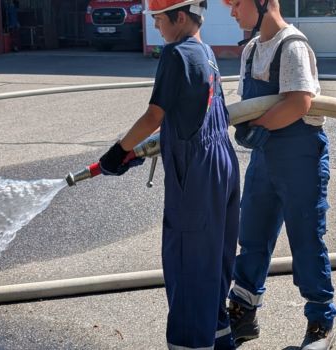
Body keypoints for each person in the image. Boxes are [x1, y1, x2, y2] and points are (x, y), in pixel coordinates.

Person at [95, 0, 241, 348]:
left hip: (196, 174)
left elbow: (153, 116)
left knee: (188, 266)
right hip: (223, 164)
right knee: (213, 263)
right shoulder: (206, 52)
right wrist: (147, 147)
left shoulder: (175, 54)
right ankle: (219, 340)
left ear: (179, 16)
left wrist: (117, 152)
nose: (156, 26)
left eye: (159, 19)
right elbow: (199, 114)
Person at [221, 0, 335, 348]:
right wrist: (248, 126)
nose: (232, 12)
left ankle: (321, 322)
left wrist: (257, 126)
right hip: (266, 155)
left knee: (306, 240)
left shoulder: (292, 45)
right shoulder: (253, 49)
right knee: (253, 233)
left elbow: (298, 101)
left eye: (236, 3)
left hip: (300, 154)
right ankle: (244, 312)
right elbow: (249, 104)